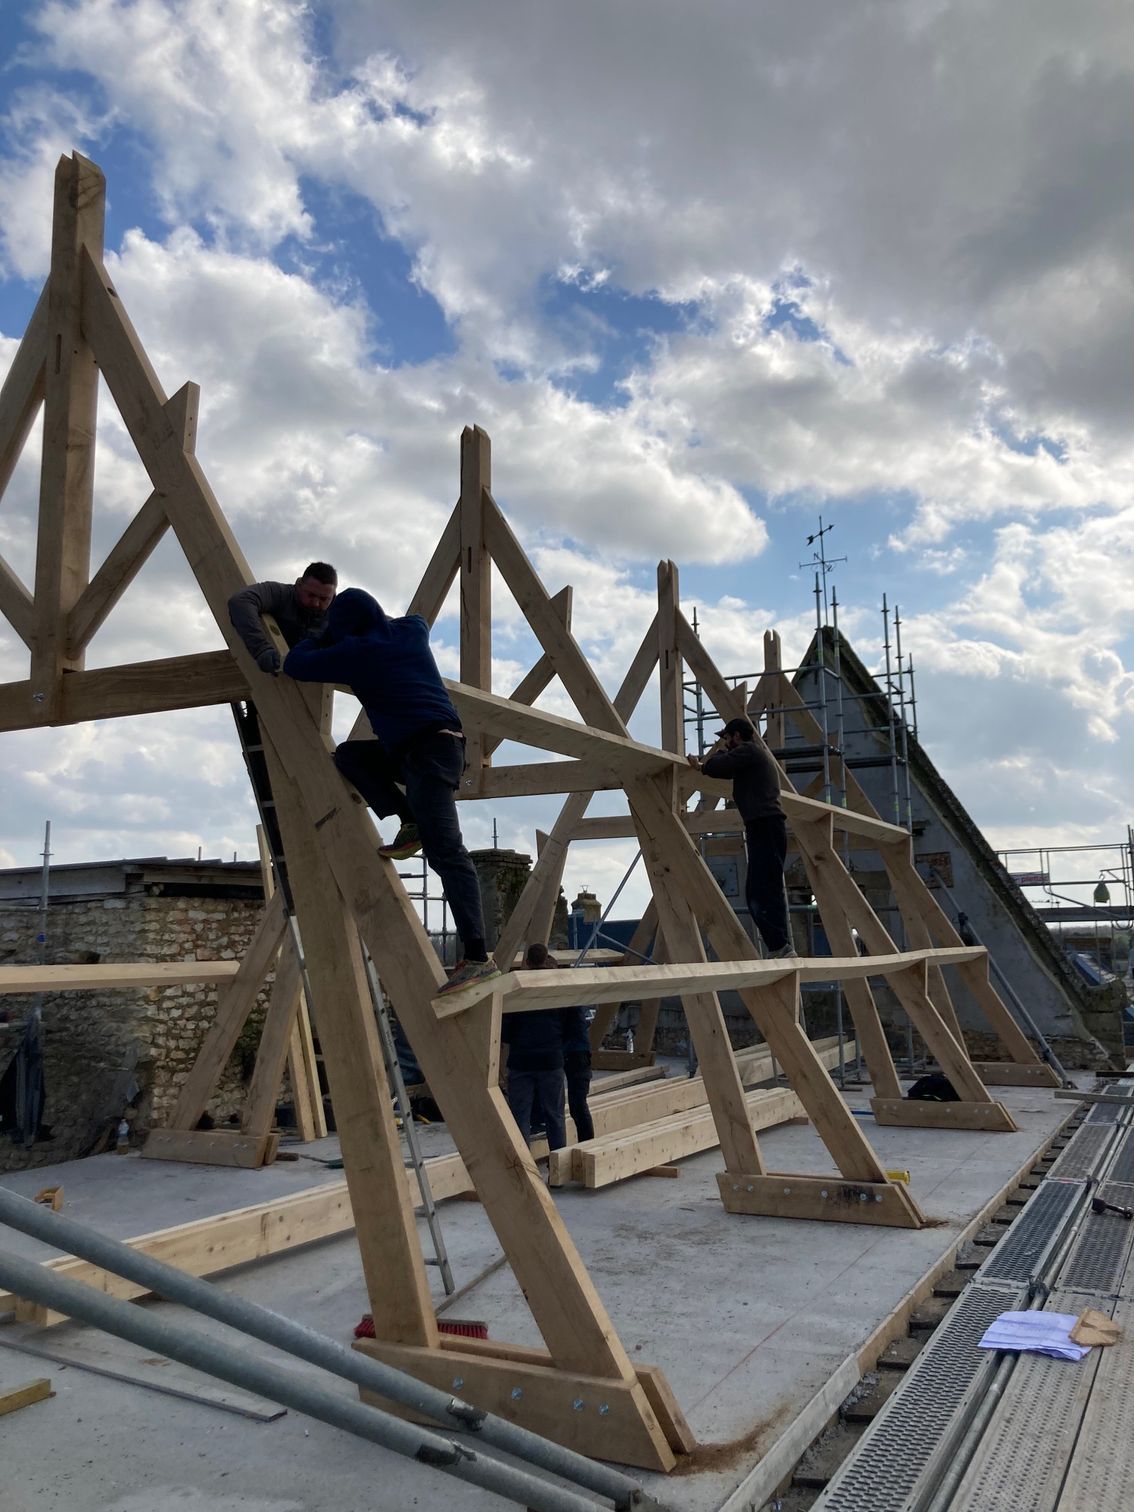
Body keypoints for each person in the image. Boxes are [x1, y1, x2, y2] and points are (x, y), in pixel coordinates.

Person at [282, 587, 498, 996]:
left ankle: (478, 958)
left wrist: (320, 635)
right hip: (431, 747)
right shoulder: (411, 632)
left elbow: (295, 663)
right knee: (350, 756)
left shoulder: (357, 653)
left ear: (347, 629)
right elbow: (417, 617)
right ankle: (410, 820)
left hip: (428, 755)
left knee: (448, 854)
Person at [688, 716, 794, 958]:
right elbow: (727, 769)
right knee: (768, 887)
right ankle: (780, 946)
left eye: (727, 738)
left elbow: (720, 766)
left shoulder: (749, 751)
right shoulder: (752, 758)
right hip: (768, 826)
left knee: (759, 891)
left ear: (737, 736)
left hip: (764, 826)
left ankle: (779, 947)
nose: (725, 743)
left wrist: (700, 766)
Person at [502, 943, 568, 1151]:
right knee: (554, 1115)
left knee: (520, 1115)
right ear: (546, 959)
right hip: (551, 1059)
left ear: (527, 962)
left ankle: (524, 1169)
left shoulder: (517, 987)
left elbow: (505, 1028)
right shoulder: (557, 988)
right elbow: (570, 1022)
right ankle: (559, 1167)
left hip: (522, 1060)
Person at [228, 563, 338, 669]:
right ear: (299, 586)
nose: (315, 603)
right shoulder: (282, 595)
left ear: (332, 596)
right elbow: (242, 601)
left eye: (324, 599)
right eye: (311, 595)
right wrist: (260, 648)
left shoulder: (339, 614)